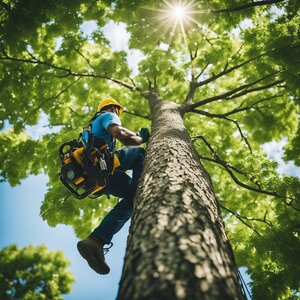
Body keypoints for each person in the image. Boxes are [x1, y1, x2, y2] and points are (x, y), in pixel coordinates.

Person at [77, 97, 150, 275]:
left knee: (133, 200)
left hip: (98, 177)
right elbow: (120, 134)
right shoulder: (108, 114)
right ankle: (140, 188)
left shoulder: (89, 130)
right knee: (139, 153)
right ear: (114, 108)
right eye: (118, 111)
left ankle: (96, 240)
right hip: (104, 166)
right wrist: (141, 138)